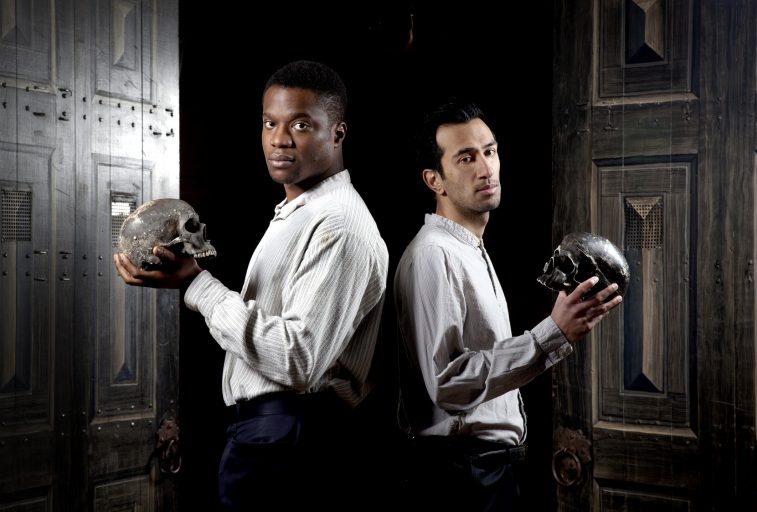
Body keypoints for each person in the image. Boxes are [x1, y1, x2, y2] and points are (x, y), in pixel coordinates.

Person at [114, 60, 389, 510]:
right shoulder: (300, 211)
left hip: (290, 434)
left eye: (301, 124)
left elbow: (297, 358)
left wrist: (198, 286)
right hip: (267, 431)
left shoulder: (339, 225)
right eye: (270, 123)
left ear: (337, 133)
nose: (279, 139)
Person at [393, 100, 623, 511]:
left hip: (488, 470)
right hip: (460, 475)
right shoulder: (434, 255)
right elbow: (447, 384)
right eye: (466, 158)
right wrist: (549, 334)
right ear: (435, 180)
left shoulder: (469, 249)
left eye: (490, 151)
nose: (485, 168)